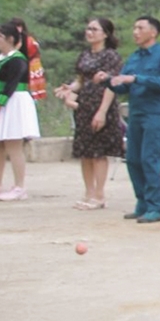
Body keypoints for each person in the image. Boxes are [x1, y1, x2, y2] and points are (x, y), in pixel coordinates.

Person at [100, 16, 160, 223]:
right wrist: (108, 81)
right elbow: (123, 86)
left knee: (149, 158)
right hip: (136, 112)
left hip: (154, 112)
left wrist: (136, 78)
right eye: (134, 27)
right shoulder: (134, 57)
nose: (135, 31)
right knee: (133, 159)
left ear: (153, 32)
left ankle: (155, 206)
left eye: (140, 28)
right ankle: (142, 202)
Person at [56, 18, 124, 210]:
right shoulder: (84, 54)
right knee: (85, 151)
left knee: (99, 152)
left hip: (102, 105)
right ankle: (89, 192)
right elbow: (81, 80)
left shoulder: (111, 56)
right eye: (88, 28)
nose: (90, 32)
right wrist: (69, 89)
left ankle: (100, 194)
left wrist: (102, 111)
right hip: (84, 106)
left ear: (105, 34)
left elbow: (112, 84)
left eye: (94, 29)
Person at [0, 22, 41, 201]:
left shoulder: (18, 60)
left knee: (13, 145)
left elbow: (9, 88)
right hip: (2, 102)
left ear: (10, 39)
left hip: (15, 102)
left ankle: (19, 187)